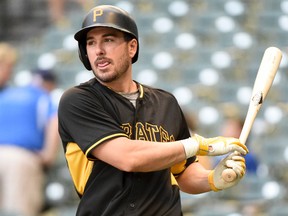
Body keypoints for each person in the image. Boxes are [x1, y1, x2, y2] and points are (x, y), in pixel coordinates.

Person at [58, 5, 248, 215]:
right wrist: (197, 145)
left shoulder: (166, 103)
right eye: (91, 43)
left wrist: (213, 179)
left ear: (132, 47)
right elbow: (128, 157)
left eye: (108, 40)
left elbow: (184, 173)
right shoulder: (78, 100)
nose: (98, 50)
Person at [0, 42, 60, 216]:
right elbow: (54, 120)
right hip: (21, 160)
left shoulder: (4, 95)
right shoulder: (41, 96)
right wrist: (48, 155)